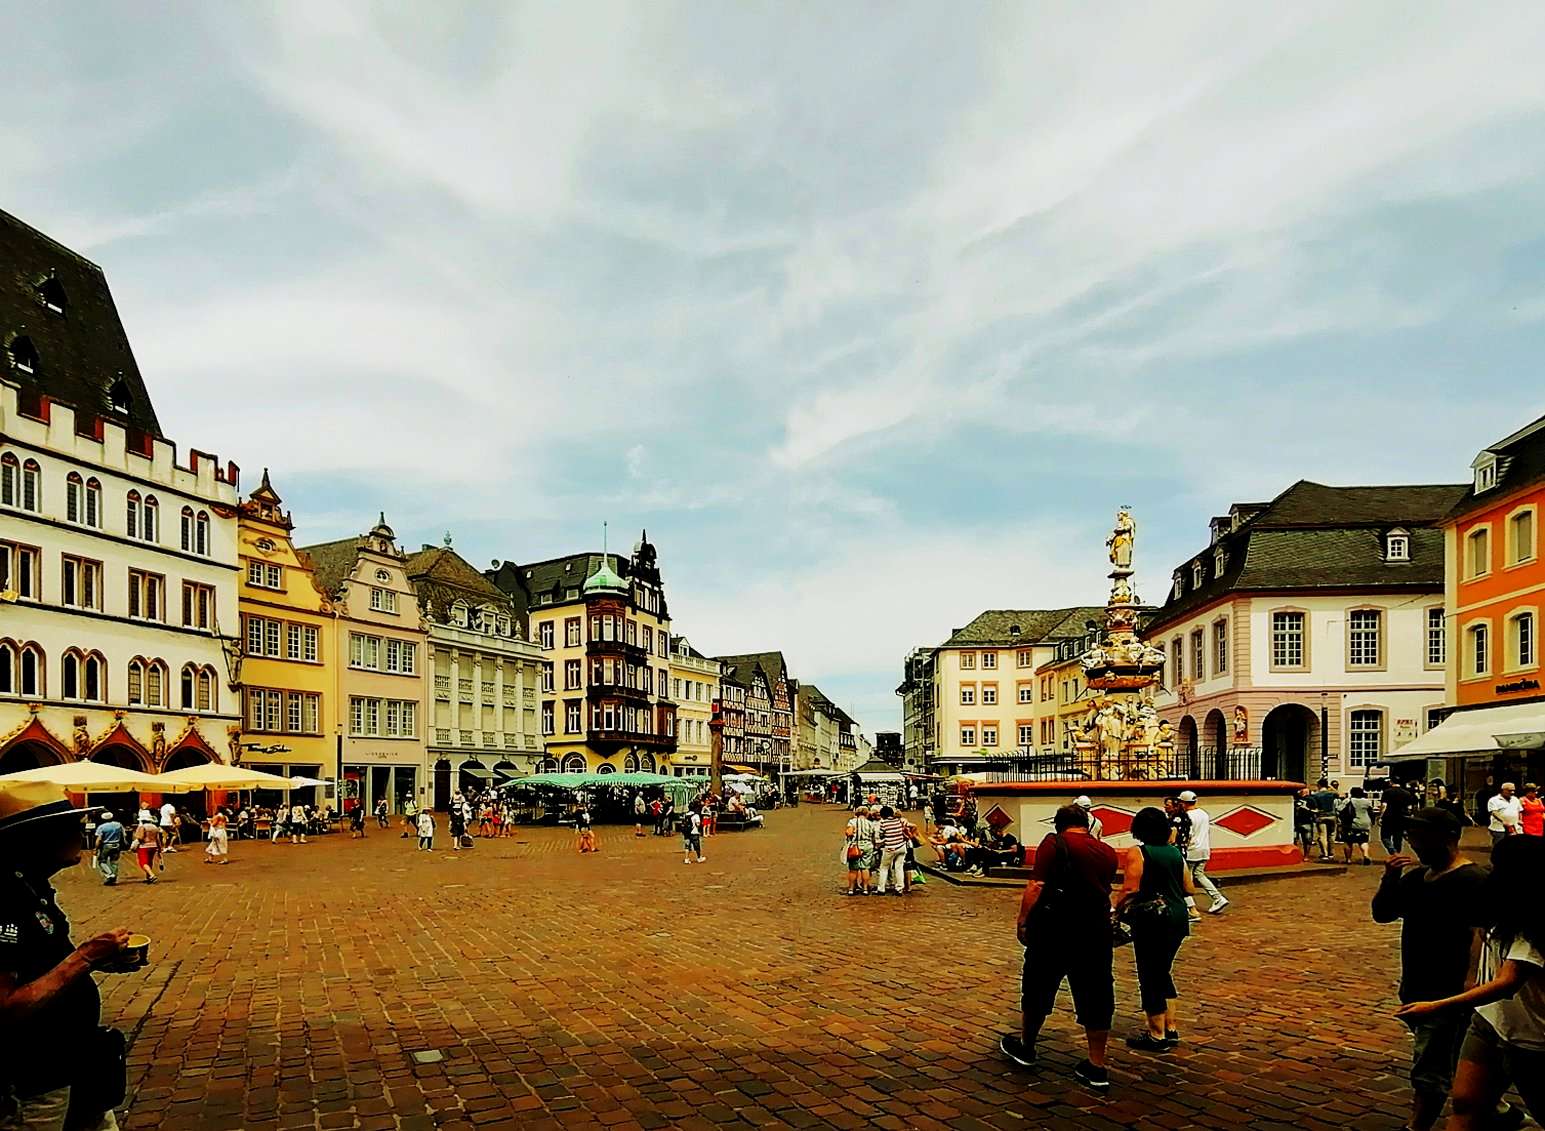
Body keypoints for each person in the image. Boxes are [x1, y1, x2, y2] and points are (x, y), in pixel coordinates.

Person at [0, 779, 133, 1130]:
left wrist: (97, 961)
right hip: (34, 1075)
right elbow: (4, 1007)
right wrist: (84, 958)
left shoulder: (33, 886)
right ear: (29, 839)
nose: (80, 832)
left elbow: (37, 964)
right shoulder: (3, 898)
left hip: (77, 1061)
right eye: (66, 826)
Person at [1395, 835, 1545, 1127]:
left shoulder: (1535, 922)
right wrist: (1472, 976)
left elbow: (1508, 981)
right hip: (1490, 1022)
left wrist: (1437, 1007)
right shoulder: (1503, 902)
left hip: (1530, 1036)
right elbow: (1480, 930)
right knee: (1465, 1101)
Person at [1371, 807, 1491, 1131]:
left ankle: (1416, 1127)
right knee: (1446, 1055)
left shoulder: (1474, 880)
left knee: (1430, 1063)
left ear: (1449, 837)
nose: (1413, 841)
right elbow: (1382, 913)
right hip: (1416, 985)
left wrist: (1470, 983)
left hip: (1448, 989)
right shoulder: (1415, 878)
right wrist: (1389, 878)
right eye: (1411, 835)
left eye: (1420, 834)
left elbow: (1479, 933)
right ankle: (1497, 1108)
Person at [1001, 804, 1119, 1091]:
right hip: (1096, 933)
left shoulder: (1054, 843)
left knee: (1038, 986)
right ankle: (1097, 1064)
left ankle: (1027, 1046)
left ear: (1059, 824)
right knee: (1097, 995)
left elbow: (1036, 884)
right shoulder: (1107, 851)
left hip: (1054, 930)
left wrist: (1023, 920)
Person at [1114, 806, 1195, 1051]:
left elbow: (1130, 889)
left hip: (1153, 920)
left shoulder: (1138, 852)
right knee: (1162, 972)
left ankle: (1156, 1033)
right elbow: (1189, 888)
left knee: (1150, 975)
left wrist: (1116, 912)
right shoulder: (1174, 852)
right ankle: (1171, 1026)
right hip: (1177, 917)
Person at [1179, 791, 1228, 914]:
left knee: (1186, 878)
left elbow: (1188, 834)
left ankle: (1190, 907)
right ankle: (1218, 898)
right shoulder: (1204, 814)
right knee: (1199, 874)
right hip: (1204, 849)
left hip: (1192, 849)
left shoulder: (1187, 816)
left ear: (1184, 803)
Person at [874, 806, 910, 896]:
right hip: (901, 846)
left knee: (884, 868)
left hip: (890, 847)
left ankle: (881, 888)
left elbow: (881, 835)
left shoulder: (883, 823)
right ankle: (899, 888)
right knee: (899, 868)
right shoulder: (899, 821)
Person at [1337, 787, 1377, 865]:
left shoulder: (1348, 800)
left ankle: (1348, 859)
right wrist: (1372, 822)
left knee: (1348, 842)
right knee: (1363, 841)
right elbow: (1371, 812)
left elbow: (1339, 809)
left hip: (1350, 824)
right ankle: (1366, 856)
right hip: (1364, 823)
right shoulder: (1367, 802)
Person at [1380, 778, 1418, 857]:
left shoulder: (1387, 792)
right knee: (1398, 837)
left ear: (1391, 782)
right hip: (1402, 817)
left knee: (1385, 836)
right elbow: (1410, 806)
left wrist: (1380, 816)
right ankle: (1398, 852)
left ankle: (1393, 851)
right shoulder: (1406, 793)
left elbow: (1384, 805)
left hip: (1389, 816)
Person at [1311, 778, 1341, 860]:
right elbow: (1339, 794)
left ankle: (1325, 853)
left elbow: (1315, 806)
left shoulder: (1316, 795)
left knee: (1322, 835)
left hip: (1321, 815)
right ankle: (1331, 852)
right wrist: (1331, 787)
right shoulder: (1331, 794)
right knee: (1331, 835)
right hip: (1331, 815)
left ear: (1319, 785)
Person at [93, 811, 125, 887]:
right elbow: (123, 834)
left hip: (106, 845)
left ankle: (110, 874)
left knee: (102, 861)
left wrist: (96, 848)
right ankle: (114, 878)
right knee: (114, 861)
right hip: (116, 844)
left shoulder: (102, 827)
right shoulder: (118, 825)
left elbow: (99, 839)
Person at [843, 809, 870, 896]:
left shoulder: (853, 821)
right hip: (868, 845)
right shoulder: (869, 822)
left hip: (856, 846)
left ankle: (851, 889)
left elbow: (849, 832)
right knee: (865, 868)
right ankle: (865, 888)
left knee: (853, 869)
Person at [131, 812, 163, 884]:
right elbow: (158, 839)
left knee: (143, 862)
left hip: (144, 846)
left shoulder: (143, 827)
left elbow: (140, 837)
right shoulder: (154, 827)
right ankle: (148, 877)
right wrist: (159, 848)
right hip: (153, 846)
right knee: (149, 861)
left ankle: (152, 875)